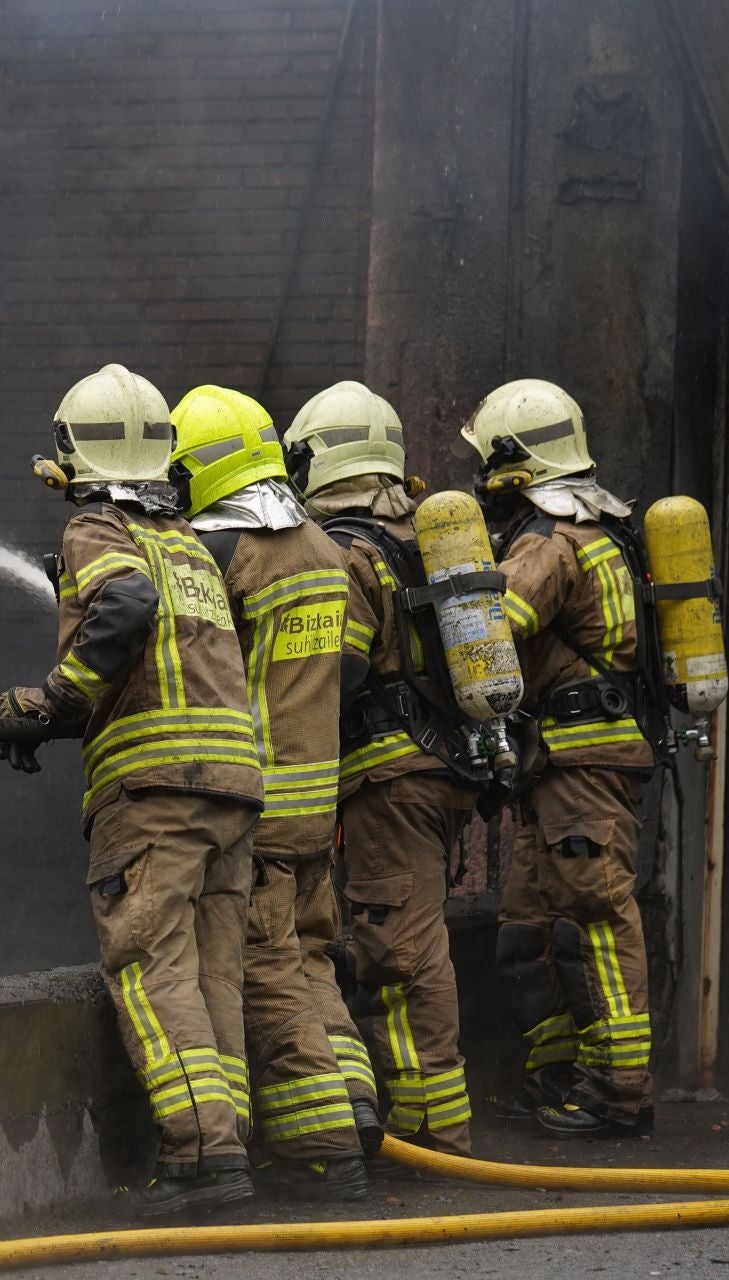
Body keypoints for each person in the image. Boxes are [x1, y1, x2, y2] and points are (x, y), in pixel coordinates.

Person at [0, 364, 265, 1214]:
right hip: (231, 791)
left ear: (75, 452)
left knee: (150, 966)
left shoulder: (97, 529)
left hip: (157, 795)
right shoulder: (188, 543)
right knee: (214, 973)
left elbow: (125, 608)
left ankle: (199, 1155)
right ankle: (229, 1145)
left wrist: (52, 700)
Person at [167, 384, 368, 1201]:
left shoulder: (225, 554)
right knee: (311, 956)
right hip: (317, 800)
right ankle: (356, 1104)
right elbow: (348, 668)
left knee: (265, 969)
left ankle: (325, 1150)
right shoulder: (320, 545)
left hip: (257, 807)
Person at [284, 380, 486, 1158]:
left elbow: (336, 670)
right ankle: (431, 1122)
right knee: (415, 940)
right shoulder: (418, 536)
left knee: (398, 950)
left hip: (389, 778)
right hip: (438, 765)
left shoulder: (348, 553)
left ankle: (432, 1131)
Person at [462, 377, 657, 1138]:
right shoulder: (605, 527)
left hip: (582, 764)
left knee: (596, 917)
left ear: (513, 463)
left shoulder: (551, 540)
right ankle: (558, 1075)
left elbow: (492, 629)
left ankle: (617, 1091)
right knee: (530, 927)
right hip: (562, 767)